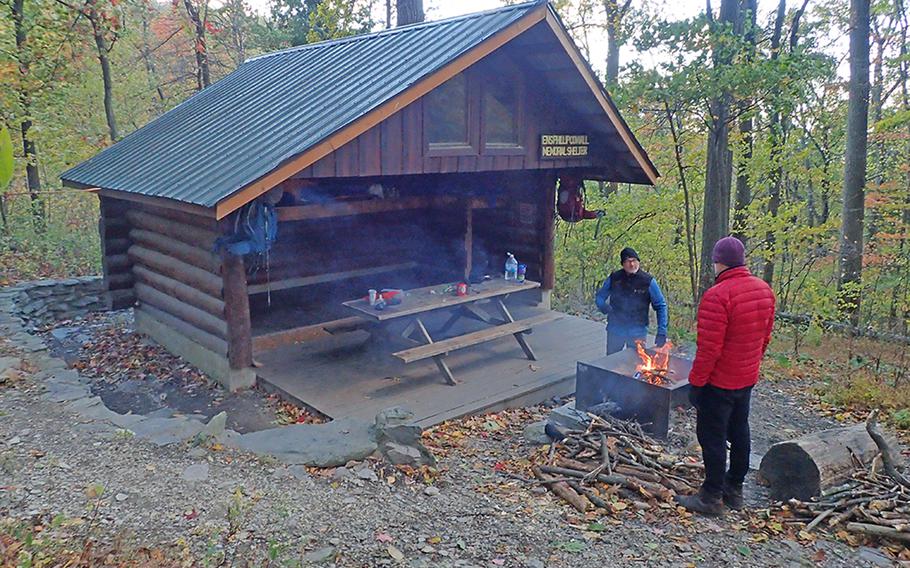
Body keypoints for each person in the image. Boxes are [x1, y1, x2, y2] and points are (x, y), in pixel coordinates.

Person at [676, 236, 776, 516]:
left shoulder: (718, 296)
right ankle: (735, 487)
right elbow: (765, 337)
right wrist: (751, 363)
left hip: (719, 382)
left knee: (713, 437)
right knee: (740, 430)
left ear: (719, 262)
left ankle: (711, 497)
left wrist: (696, 384)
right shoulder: (764, 290)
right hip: (746, 377)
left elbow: (709, 350)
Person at [595, 247, 668, 355]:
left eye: (634, 261)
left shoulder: (648, 281)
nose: (632, 265)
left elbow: (661, 306)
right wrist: (603, 306)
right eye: (628, 262)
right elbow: (600, 297)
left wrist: (662, 331)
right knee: (611, 362)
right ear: (623, 264)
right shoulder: (615, 278)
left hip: (637, 331)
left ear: (638, 261)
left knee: (637, 364)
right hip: (616, 329)